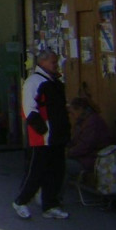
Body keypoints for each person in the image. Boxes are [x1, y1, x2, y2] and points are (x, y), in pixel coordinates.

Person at [12, 49, 71, 220]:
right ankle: (21, 201)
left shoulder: (54, 82)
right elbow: (29, 109)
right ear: (42, 62)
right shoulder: (34, 82)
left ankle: (50, 204)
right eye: (53, 62)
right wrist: (42, 129)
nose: (55, 65)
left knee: (57, 171)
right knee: (37, 171)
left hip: (57, 135)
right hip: (43, 137)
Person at [67, 97, 113, 178]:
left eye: (73, 113)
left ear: (79, 109)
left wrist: (69, 153)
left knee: (60, 165)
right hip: (84, 158)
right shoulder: (83, 121)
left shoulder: (92, 123)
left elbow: (85, 146)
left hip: (90, 160)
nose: (72, 116)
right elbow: (76, 141)